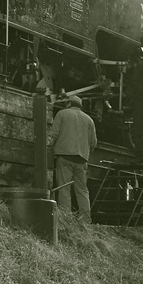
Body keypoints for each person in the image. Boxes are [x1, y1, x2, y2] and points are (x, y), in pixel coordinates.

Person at [49, 94, 97, 223]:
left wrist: (49, 149)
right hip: (82, 159)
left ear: (68, 103)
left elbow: (54, 134)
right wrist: (85, 152)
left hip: (65, 157)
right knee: (82, 190)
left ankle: (65, 219)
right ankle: (86, 220)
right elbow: (93, 142)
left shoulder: (62, 114)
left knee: (64, 188)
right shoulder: (89, 120)